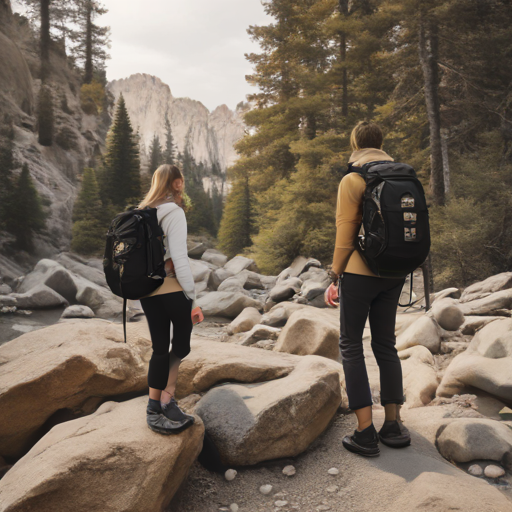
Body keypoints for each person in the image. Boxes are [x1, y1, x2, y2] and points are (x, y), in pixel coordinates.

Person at [325, 121, 411, 457]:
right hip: (395, 272)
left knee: (350, 344)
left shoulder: (354, 179)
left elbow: (346, 231)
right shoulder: (401, 177)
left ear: (354, 142)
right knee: (385, 344)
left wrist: (335, 274)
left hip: (361, 273)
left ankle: (365, 431)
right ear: (381, 142)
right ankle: (393, 424)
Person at [138, 164, 204, 435]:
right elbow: (179, 258)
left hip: (146, 291)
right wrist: (193, 297)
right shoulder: (174, 212)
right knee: (182, 346)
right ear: (176, 184)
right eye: (182, 182)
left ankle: (156, 406)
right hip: (171, 289)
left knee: (160, 348)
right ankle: (168, 396)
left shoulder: (143, 212)